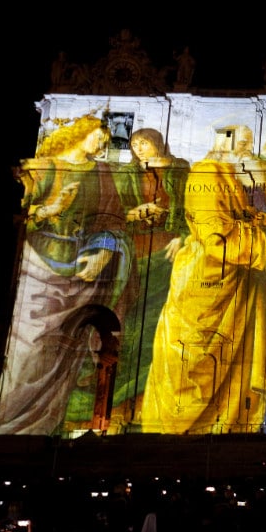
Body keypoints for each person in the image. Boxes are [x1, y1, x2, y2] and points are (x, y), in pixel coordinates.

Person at [0, 115, 135, 436]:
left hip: (82, 264)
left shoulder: (103, 172)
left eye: (105, 142)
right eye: (99, 138)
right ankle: (12, 422)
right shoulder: (44, 169)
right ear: (79, 134)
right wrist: (53, 207)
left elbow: (115, 218)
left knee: (67, 345)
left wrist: (104, 249)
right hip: (39, 263)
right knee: (31, 343)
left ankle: (45, 424)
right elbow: (27, 217)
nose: (103, 145)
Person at [140, 125, 266, 434]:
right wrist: (262, 250)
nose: (247, 151)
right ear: (225, 145)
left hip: (235, 283)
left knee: (231, 373)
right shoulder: (207, 174)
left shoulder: (234, 177)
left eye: (249, 145)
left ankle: (226, 427)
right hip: (207, 280)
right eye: (242, 145)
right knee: (196, 362)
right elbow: (216, 235)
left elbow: (245, 219)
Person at [64, 128, 191, 428]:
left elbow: (190, 209)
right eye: (135, 144)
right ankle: (111, 395)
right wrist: (135, 215)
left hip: (168, 251)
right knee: (126, 317)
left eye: (144, 142)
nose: (139, 149)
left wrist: (182, 235)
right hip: (132, 250)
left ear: (158, 142)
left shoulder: (180, 169)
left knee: (153, 323)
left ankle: (142, 394)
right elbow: (113, 212)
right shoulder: (126, 174)